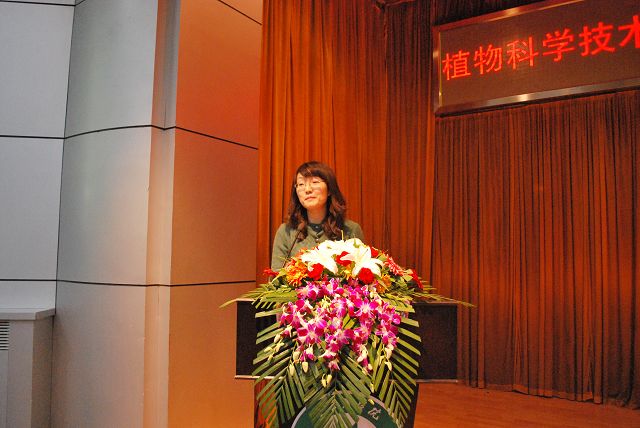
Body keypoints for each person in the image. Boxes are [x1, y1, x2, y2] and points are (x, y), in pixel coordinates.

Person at [271, 161, 364, 270]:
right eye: (301, 184)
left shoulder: (350, 230)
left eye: (314, 182)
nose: (307, 190)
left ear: (329, 189)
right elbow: (275, 277)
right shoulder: (286, 232)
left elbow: (361, 274)